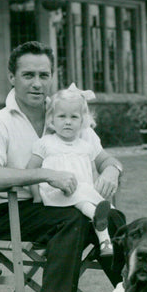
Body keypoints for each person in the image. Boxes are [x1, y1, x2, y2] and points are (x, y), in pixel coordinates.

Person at [0, 41, 125, 292]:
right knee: (75, 220)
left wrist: (113, 171)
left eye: (44, 75)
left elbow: (104, 158)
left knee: (112, 218)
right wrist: (44, 174)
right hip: (13, 212)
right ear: (12, 78)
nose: (37, 83)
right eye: (28, 75)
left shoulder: (67, 112)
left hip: (65, 208)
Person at [26, 84, 114, 256]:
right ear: (51, 119)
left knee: (86, 196)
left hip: (79, 193)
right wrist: (36, 196)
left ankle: (105, 241)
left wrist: (98, 187)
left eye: (74, 117)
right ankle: (101, 228)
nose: (68, 121)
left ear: (83, 121)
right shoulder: (45, 143)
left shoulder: (86, 147)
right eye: (62, 116)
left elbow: (93, 174)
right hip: (55, 193)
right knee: (85, 198)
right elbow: (31, 170)